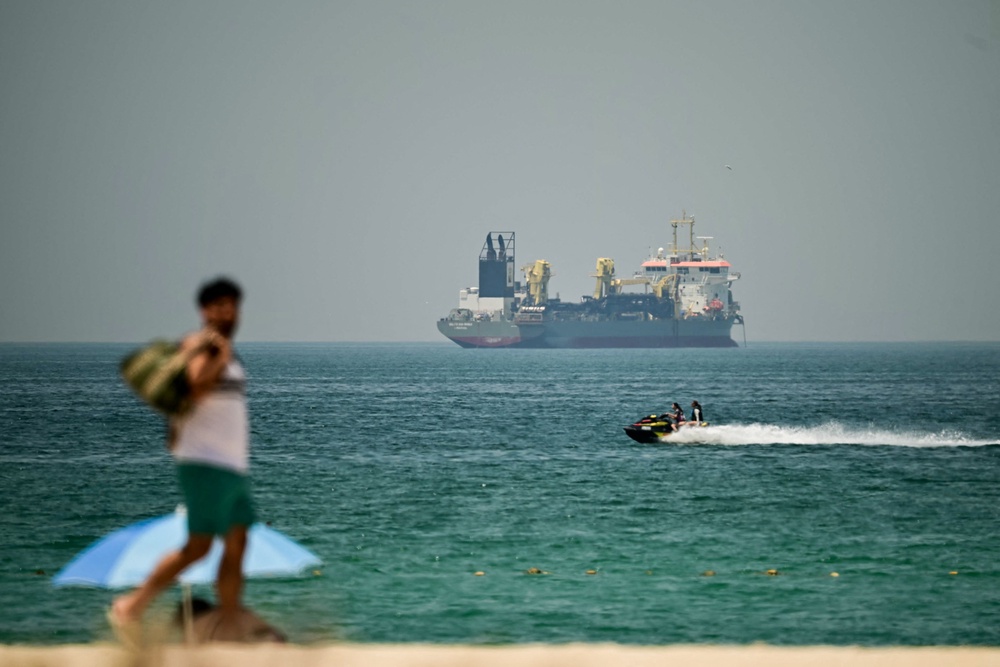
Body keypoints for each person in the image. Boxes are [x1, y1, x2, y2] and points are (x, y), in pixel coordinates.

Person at [110, 277, 254, 642]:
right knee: (199, 547)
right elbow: (198, 386)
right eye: (220, 305)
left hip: (230, 466)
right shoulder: (202, 345)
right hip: (205, 463)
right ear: (205, 310)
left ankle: (230, 621)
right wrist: (218, 356)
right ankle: (131, 607)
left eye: (232, 305)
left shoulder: (224, 349)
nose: (228, 312)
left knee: (237, 541)